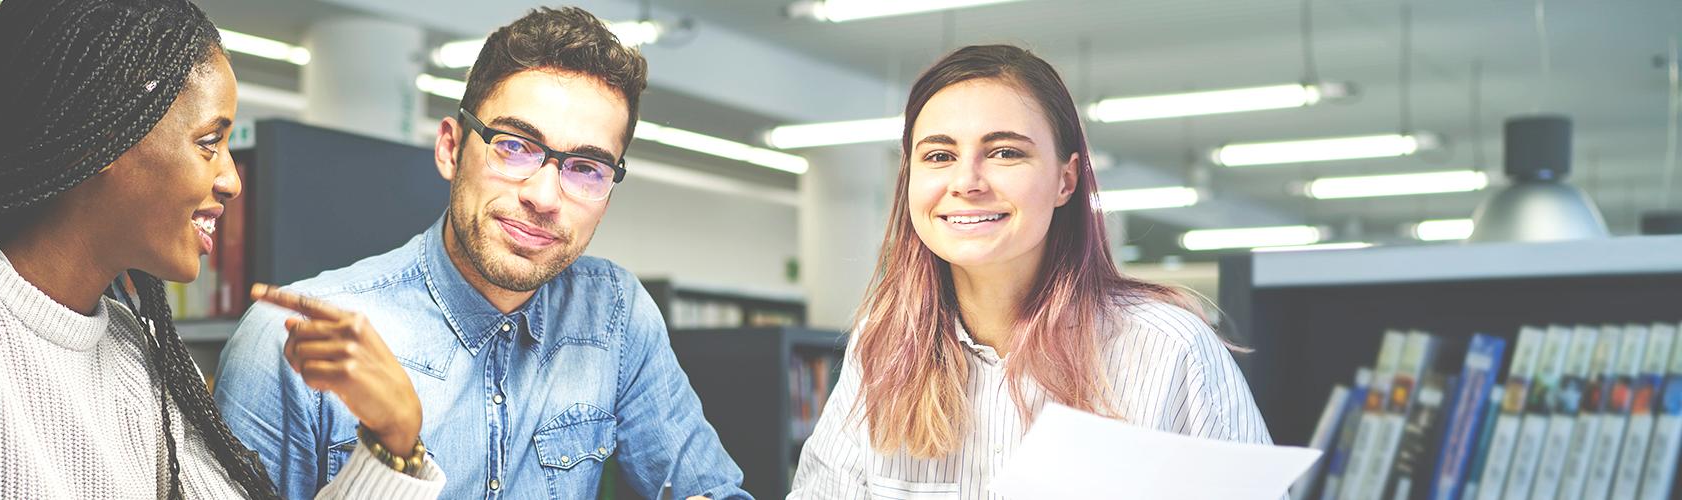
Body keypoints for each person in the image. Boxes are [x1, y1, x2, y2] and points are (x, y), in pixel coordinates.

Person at [0, 0, 441, 497]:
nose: (232, 179)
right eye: (210, 141)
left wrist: (394, 443)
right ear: (103, 139)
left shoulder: (131, 347)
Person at [213, 6, 746, 500]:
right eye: (514, 146)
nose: (543, 197)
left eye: (586, 168)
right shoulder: (292, 338)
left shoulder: (614, 315)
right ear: (451, 148)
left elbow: (713, 490)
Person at [788, 45, 1272, 498]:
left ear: (1066, 179)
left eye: (1004, 152)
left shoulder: (1168, 347)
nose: (966, 182)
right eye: (939, 155)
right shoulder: (886, 345)